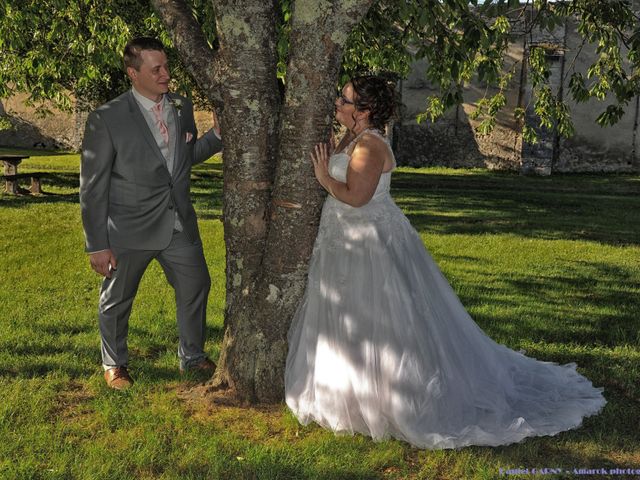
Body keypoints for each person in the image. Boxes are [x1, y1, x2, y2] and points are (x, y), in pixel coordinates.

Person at [284, 75, 606, 449]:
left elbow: (356, 197)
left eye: (345, 99)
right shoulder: (352, 137)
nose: (337, 102)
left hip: (366, 243)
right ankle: (342, 389)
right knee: (346, 314)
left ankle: (386, 399)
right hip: (344, 239)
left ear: (364, 111)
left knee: (376, 316)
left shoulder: (369, 145)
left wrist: (324, 178)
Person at [80, 37, 222, 390]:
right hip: (128, 229)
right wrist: (97, 244)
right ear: (133, 73)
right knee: (117, 299)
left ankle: (191, 356)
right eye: (156, 69)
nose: (165, 75)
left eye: (166, 67)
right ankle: (114, 364)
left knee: (196, 285)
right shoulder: (107, 118)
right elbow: (93, 186)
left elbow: (182, 160)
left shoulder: (181, 105)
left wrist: (217, 136)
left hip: (177, 223)